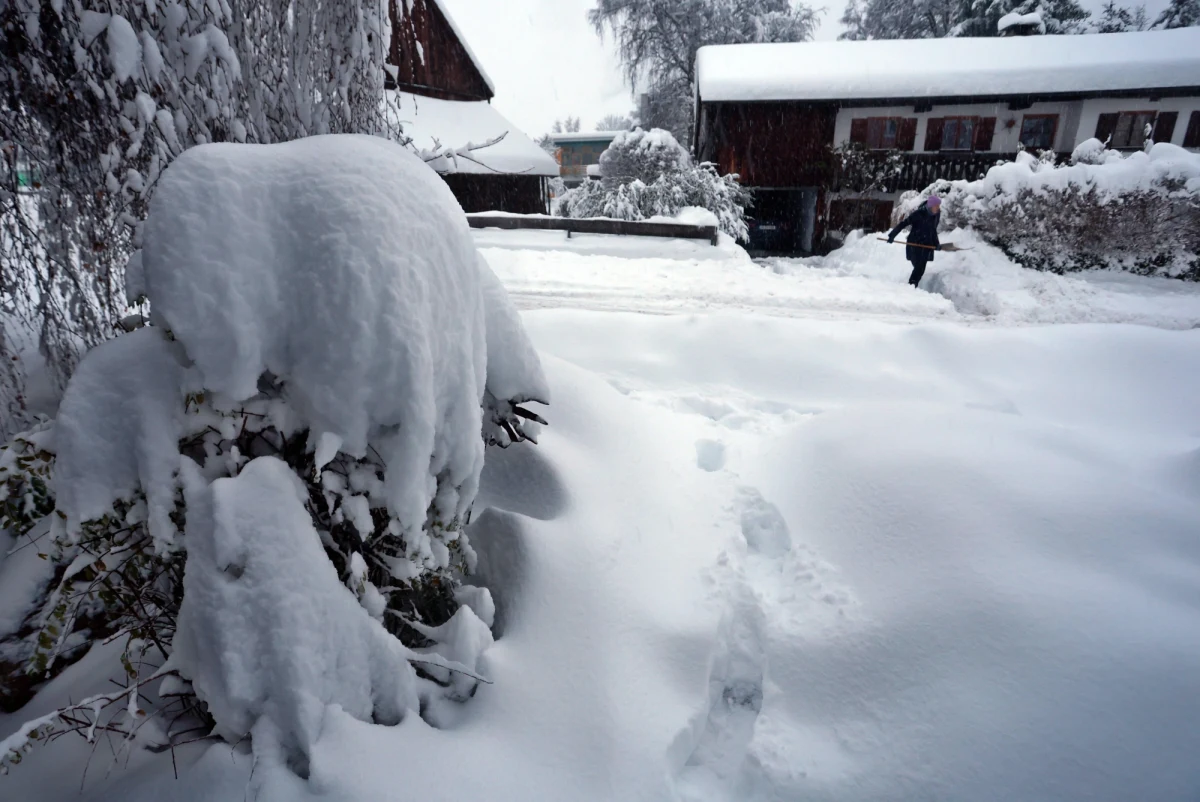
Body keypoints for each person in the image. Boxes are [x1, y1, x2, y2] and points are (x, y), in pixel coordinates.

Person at [888, 195, 942, 287]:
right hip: (914, 244)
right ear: (931, 206)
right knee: (918, 267)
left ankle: (912, 286)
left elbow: (933, 231)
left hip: (926, 245)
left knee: (920, 269)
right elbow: (903, 223)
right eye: (936, 206)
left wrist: (936, 244)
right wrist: (892, 235)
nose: (938, 208)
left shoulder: (935, 216)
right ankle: (911, 286)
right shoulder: (919, 214)